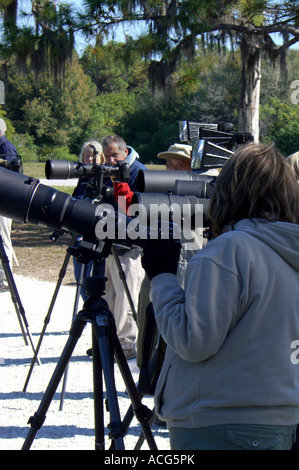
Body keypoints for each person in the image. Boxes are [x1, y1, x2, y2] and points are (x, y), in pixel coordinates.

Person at [142, 142, 299, 450]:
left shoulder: (230, 250)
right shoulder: (289, 247)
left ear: (229, 190)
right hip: (280, 420)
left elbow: (194, 341)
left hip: (218, 421)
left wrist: (162, 276)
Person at [101, 135, 147, 360]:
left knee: (127, 296)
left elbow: (136, 209)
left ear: (125, 152)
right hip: (109, 241)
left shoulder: (138, 171)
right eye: (107, 156)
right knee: (109, 294)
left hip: (130, 245)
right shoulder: (106, 171)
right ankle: (108, 341)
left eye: (114, 156)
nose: (110, 160)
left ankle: (126, 344)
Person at [72, 140, 106, 301]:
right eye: (86, 157)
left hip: (97, 235)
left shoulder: (105, 178)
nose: (89, 160)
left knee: (93, 280)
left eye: (93, 156)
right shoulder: (82, 178)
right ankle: (84, 313)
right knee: (80, 278)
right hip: (79, 233)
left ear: (101, 158)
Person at [0, 118, 18, 292]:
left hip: (5, 200)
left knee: (3, 237)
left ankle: (6, 279)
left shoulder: (6, 148)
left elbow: (13, 176)